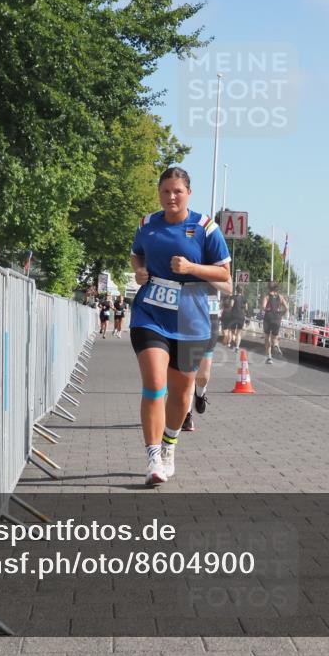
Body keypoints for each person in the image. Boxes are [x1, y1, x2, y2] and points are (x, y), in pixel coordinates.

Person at [129, 167, 231, 485]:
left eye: (177, 191)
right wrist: (140, 272)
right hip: (150, 314)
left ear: (188, 193)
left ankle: (169, 445)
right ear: (159, 193)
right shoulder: (148, 224)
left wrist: (191, 267)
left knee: (181, 393)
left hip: (191, 318)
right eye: (165, 191)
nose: (171, 197)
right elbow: (136, 256)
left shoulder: (205, 228)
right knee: (154, 383)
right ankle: (152, 458)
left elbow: (225, 275)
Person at [181, 274, 234, 432]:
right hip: (186, 317)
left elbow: (228, 287)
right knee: (189, 372)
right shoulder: (184, 257)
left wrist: (203, 273)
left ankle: (200, 393)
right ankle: (187, 415)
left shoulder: (215, 261)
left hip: (210, 320)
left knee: (202, 375)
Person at [260, 281, 289, 364]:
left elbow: (263, 307)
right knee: (274, 337)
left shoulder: (267, 297)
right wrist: (281, 314)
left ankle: (269, 357)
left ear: (269, 288)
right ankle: (276, 345)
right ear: (276, 288)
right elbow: (287, 308)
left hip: (268, 317)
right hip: (277, 318)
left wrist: (266, 309)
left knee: (267, 337)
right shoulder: (280, 297)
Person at [227, 285, 246, 350]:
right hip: (241, 316)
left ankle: (233, 339)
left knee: (232, 331)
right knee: (239, 332)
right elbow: (246, 308)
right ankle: (237, 347)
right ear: (242, 290)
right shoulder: (244, 298)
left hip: (234, 315)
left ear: (236, 290)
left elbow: (231, 305)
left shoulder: (233, 297)